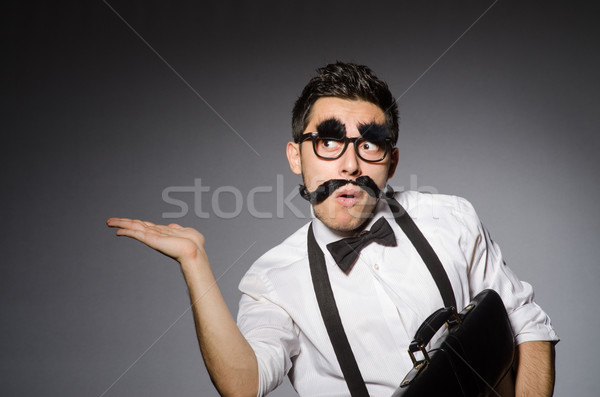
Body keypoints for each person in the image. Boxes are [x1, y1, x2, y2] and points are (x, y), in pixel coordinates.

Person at [107, 62, 558, 397]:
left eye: (369, 144)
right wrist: (195, 264)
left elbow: (528, 327)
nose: (349, 163)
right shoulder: (273, 279)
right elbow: (243, 384)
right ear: (295, 157)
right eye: (327, 142)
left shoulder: (452, 218)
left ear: (392, 160)